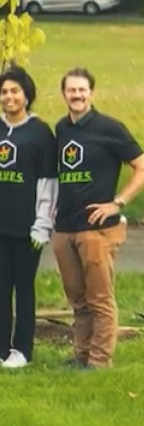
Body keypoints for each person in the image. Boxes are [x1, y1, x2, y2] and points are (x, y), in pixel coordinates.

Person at [0, 66, 56, 369]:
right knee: (0, 287)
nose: (9, 96)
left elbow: (47, 183)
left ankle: (22, 350)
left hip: (27, 228)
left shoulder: (40, 133)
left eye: (15, 91)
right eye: (4, 92)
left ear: (27, 95)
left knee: (23, 287)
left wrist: (42, 224)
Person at [52, 67, 144, 369]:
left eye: (82, 90)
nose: (77, 95)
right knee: (78, 299)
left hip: (97, 229)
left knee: (100, 298)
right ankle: (81, 356)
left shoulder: (110, 128)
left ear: (91, 92)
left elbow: (141, 166)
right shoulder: (61, 128)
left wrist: (117, 202)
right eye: (71, 90)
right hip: (65, 228)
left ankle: (100, 360)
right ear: (64, 93)